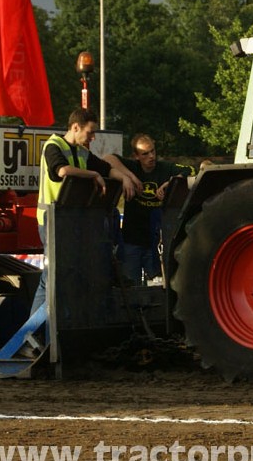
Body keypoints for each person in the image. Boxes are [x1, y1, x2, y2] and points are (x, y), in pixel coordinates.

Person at [25, 108, 138, 353]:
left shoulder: (82, 152)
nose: (92, 137)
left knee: (65, 277)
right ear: (75, 127)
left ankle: (50, 335)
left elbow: (107, 169)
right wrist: (93, 174)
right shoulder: (53, 147)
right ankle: (31, 337)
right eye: (90, 132)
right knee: (52, 278)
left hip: (71, 223)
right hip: (52, 221)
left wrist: (125, 178)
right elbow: (62, 171)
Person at [104, 134, 195, 284]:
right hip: (132, 240)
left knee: (159, 284)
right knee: (131, 283)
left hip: (156, 242)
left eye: (152, 151)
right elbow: (108, 158)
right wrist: (128, 177)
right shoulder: (132, 167)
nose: (151, 157)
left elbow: (190, 170)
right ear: (136, 156)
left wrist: (171, 182)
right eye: (145, 154)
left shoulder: (164, 168)